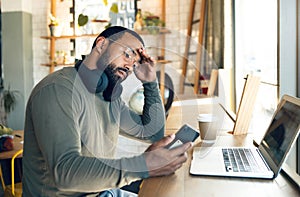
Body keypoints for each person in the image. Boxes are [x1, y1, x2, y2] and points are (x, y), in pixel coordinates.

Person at [22, 26, 192, 196]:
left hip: (101, 192)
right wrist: (143, 165)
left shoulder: (108, 96)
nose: (129, 66)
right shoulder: (57, 90)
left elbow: (152, 133)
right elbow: (66, 174)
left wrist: (150, 82)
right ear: (101, 44)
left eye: (134, 63)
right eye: (127, 53)